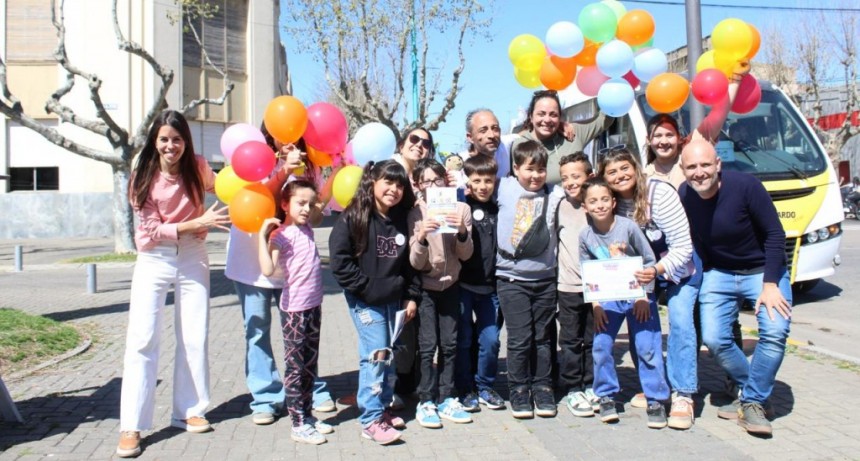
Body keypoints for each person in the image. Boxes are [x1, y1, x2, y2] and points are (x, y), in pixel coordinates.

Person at [117, 110, 230, 458]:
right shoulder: (143, 175)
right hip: (155, 258)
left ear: (186, 141)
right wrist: (197, 220)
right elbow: (150, 231)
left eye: (177, 139)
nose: (171, 146)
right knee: (142, 339)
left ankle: (189, 411)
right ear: (155, 140)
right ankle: (131, 425)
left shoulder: (196, 166)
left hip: (193, 255)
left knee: (194, 336)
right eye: (164, 139)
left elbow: (225, 187)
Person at [224, 127, 336, 428]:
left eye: (294, 132)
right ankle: (266, 396)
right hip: (253, 261)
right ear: (268, 135)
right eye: (278, 132)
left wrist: (329, 182)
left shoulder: (307, 166)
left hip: (294, 268)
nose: (287, 139)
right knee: (257, 330)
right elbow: (262, 202)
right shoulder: (253, 160)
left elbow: (314, 214)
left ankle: (308, 391)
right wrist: (282, 170)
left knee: (302, 336)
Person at [679, 140, 792, 437]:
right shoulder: (685, 194)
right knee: (715, 338)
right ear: (683, 170)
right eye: (692, 167)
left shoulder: (746, 186)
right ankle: (755, 392)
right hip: (720, 273)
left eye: (705, 165)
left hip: (763, 271)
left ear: (718, 164)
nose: (699, 172)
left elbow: (775, 235)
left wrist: (770, 284)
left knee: (776, 330)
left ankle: (752, 401)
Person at [596, 147, 695, 429]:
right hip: (640, 280)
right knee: (643, 336)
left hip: (676, 271)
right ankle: (650, 388)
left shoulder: (659, 194)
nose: (619, 176)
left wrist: (654, 272)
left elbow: (684, 247)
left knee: (680, 325)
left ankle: (682, 395)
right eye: (611, 172)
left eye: (624, 168)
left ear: (636, 167)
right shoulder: (610, 202)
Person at [328, 160, 421, 445]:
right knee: (377, 353)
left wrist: (411, 296)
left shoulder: (401, 218)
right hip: (365, 301)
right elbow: (340, 262)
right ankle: (370, 420)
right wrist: (366, 289)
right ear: (373, 182)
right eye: (387, 182)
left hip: (394, 301)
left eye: (399, 184)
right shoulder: (354, 217)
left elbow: (409, 266)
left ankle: (381, 405)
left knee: (389, 353)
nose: (393, 189)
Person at [577, 176, 670, 429]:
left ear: (614, 202)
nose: (599, 205)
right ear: (585, 207)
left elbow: (649, 260)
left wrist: (643, 296)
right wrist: (596, 306)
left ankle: (656, 399)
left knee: (647, 347)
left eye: (604, 199)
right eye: (593, 201)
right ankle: (606, 395)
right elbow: (588, 273)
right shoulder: (585, 236)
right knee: (601, 346)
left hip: (637, 297)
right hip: (606, 300)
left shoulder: (628, 227)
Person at [257, 179, 332, 444]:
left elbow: (324, 198)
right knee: (295, 367)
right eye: (300, 203)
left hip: (314, 306)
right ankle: (297, 423)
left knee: (310, 365)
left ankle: (308, 415)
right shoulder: (281, 235)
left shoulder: (308, 228)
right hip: (294, 311)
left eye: (309, 204)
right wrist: (262, 236)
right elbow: (268, 270)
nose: (305, 208)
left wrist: (335, 171)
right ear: (285, 204)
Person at [495, 140, 565, 419]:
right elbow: (474, 179)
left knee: (542, 339)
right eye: (529, 169)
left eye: (540, 169)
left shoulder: (555, 194)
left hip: (546, 280)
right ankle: (519, 389)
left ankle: (543, 386)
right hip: (511, 280)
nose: (535, 175)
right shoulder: (504, 187)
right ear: (515, 169)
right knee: (519, 338)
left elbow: (579, 190)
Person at [407, 158, 474, 427]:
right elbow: (415, 262)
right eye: (426, 181)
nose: (432, 185)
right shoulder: (414, 214)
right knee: (427, 346)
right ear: (418, 185)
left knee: (450, 343)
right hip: (426, 288)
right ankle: (426, 399)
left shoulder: (462, 209)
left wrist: (460, 231)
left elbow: (466, 255)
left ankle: (447, 396)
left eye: (437, 180)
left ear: (446, 181)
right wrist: (422, 236)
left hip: (451, 286)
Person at [453, 155, 506, 412]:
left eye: (488, 180)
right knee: (463, 339)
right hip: (463, 286)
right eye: (477, 180)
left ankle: (484, 385)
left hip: (491, 289)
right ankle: (464, 388)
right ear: (468, 182)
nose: (483, 186)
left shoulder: (501, 208)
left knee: (490, 339)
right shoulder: (461, 206)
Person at [555, 152, 597, 417]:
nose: (570, 182)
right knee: (570, 339)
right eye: (565, 178)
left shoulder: (600, 203)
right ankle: (572, 387)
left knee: (594, 339)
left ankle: (592, 384)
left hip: (598, 287)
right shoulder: (558, 206)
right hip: (568, 285)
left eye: (576, 176)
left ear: (589, 177)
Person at [510, 90, 614, 185]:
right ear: (531, 117)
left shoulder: (573, 133)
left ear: (560, 117)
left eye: (553, 115)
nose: (547, 119)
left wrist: (611, 87)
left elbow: (604, 121)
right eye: (541, 114)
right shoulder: (520, 144)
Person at [393, 127, 435, 193]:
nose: (419, 145)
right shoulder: (386, 170)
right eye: (414, 139)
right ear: (401, 146)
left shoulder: (430, 178)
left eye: (426, 143)